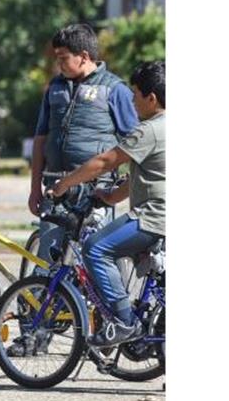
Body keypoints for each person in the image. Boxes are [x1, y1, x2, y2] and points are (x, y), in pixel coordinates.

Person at [53, 60, 165, 348]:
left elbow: (104, 161)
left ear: (151, 99)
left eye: (136, 94)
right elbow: (150, 174)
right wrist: (111, 197)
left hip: (154, 217)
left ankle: (124, 322)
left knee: (96, 247)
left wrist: (65, 183)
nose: (131, 100)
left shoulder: (149, 130)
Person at [28, 24, 139, 268]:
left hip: (95, 193)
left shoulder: (115, 89)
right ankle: (44, 306)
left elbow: (136, 143)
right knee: (49, 260)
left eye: (63, 58)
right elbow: (40, 140)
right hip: (54, 189)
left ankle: (95, 306)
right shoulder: (54, 88)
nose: (58, 64)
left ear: (84, 57)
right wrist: (35, 187)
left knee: (92, 261)